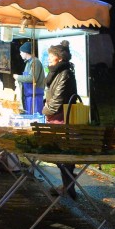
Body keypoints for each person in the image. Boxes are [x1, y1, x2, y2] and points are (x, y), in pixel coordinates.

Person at [43, 43, 78, 199]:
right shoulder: (56, 72)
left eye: (51, 56)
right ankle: (68, 185)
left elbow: (57, 100)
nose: (49, 58)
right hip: (55, 116)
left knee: (61, 153)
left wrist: (45, 110)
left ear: (60, 58)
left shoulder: (65, 74)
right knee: (60, 153)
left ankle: (69, 185)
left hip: (61, 117)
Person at [15, 41, 46, 115]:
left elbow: (32, 78)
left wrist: (18, 77)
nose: (20, 54)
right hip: (29, 97)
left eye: (21, 52)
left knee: (35, 118)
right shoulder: (28, 63)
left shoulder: (35, 62)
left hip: (35, 97)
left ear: (26, 52)